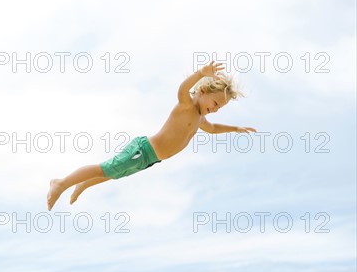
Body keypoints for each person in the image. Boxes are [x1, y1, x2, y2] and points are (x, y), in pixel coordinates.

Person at [47, 61, 256, 210]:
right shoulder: (186, 106)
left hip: (151, 159)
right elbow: (182, 89)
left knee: (113, 174)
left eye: (220, 107)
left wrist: (235, 129)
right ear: (202, 92)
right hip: (143, 150)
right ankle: (61, 183)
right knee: (105, 168)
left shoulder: (201, 119)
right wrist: (201, 73)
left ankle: (83, 184)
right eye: (216, 103)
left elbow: (213, 128)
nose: (216, 109)